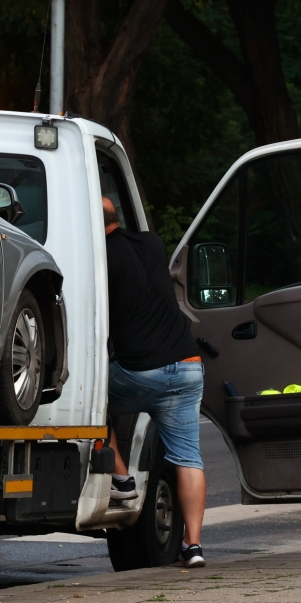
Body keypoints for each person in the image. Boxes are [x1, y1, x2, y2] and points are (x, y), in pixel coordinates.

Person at [101, 196, 207, 568]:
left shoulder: (100, 262)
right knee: (188, 458)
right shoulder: (151, 242)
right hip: (187, 366)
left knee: (91, 402)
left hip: (138, 373)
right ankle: (193, 546)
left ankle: (122, 478)